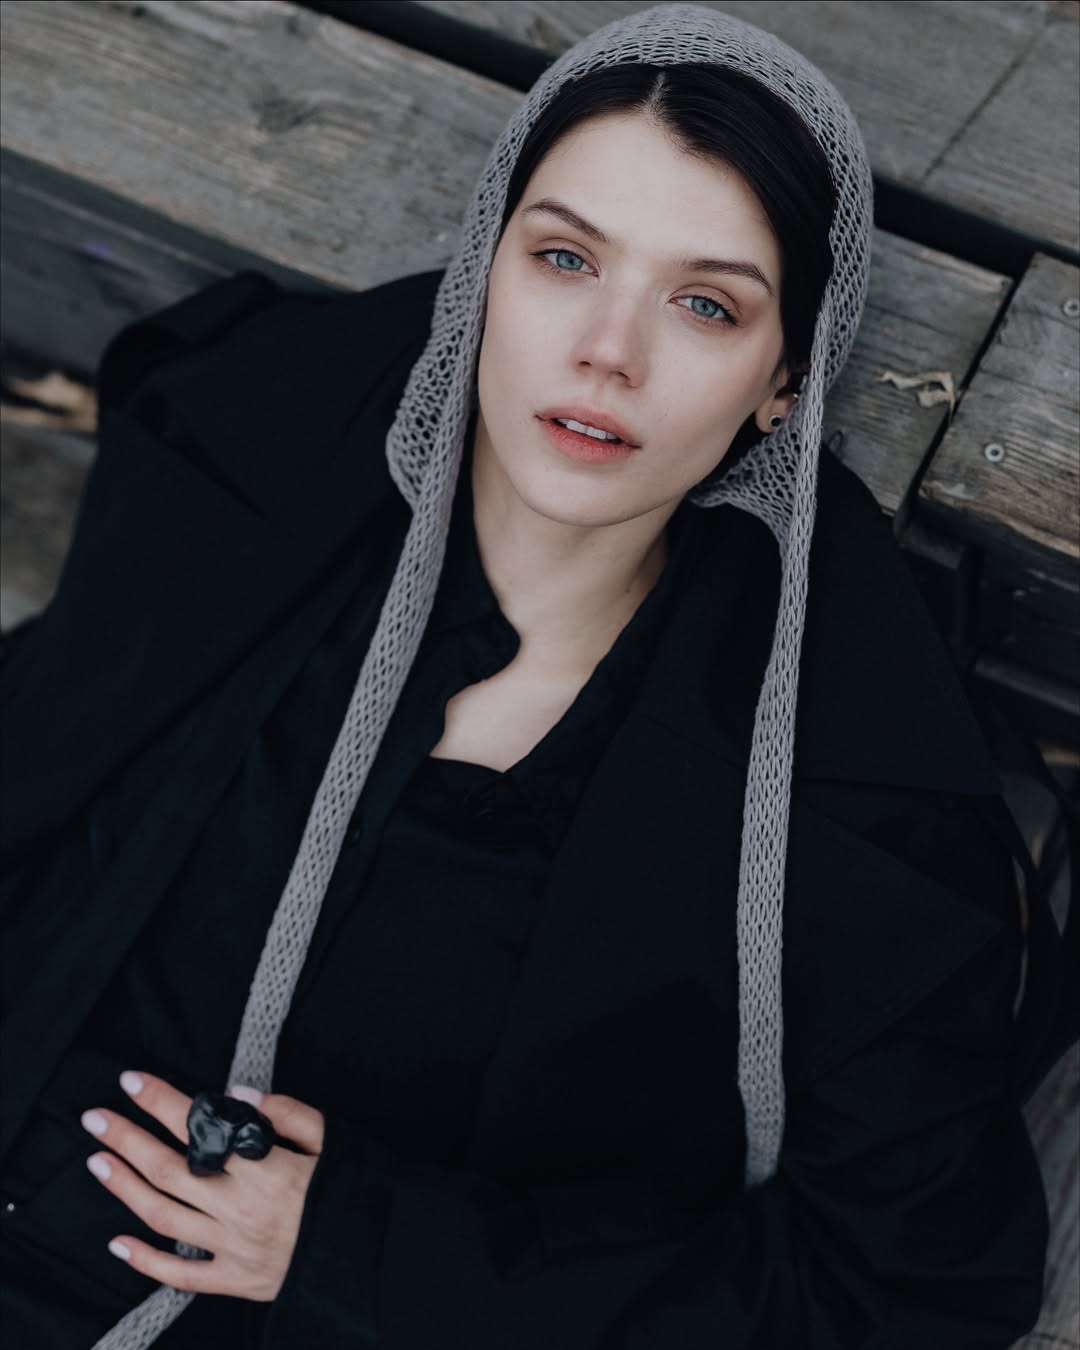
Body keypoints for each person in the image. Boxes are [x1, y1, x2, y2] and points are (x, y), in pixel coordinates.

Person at [0, 5, 1065, 1348]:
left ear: (784, 380)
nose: (609, 349)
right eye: (565, 258)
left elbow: (903, 1292)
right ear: (484, 277)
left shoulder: (833, 816)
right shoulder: (249, 504)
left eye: (704, 304)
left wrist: (360, 1247)